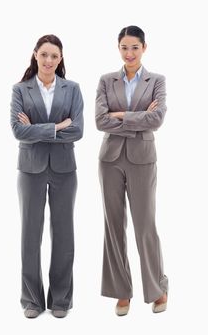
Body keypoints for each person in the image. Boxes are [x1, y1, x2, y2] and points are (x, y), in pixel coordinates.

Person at [95, 25, 168, 316]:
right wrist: (138, 118)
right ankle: (121, 291)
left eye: (134, 47)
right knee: (113, 226)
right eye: (124, 47)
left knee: (145, 225)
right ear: (118, 48)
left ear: (144, 48)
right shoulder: (105, 80)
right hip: (110, 159)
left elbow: (157, 118)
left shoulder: (157, 80)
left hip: (142, 159)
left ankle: (157, 288)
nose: (129, 53)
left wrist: (121, 115)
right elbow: (100, 121)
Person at [10, 34, 84, 318]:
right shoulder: (20, 90)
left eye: (54, 56)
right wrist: (57, 128)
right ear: (35, 55)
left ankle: (61, 299)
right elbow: (18, 131)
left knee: (64, 235)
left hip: (65, 169)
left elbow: (78, 130)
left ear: (61, 58)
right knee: (30, 234)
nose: (49, 61)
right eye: (44, 55)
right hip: (30, 169)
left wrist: (38, 129)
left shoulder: (73, 89)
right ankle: (31, 299)